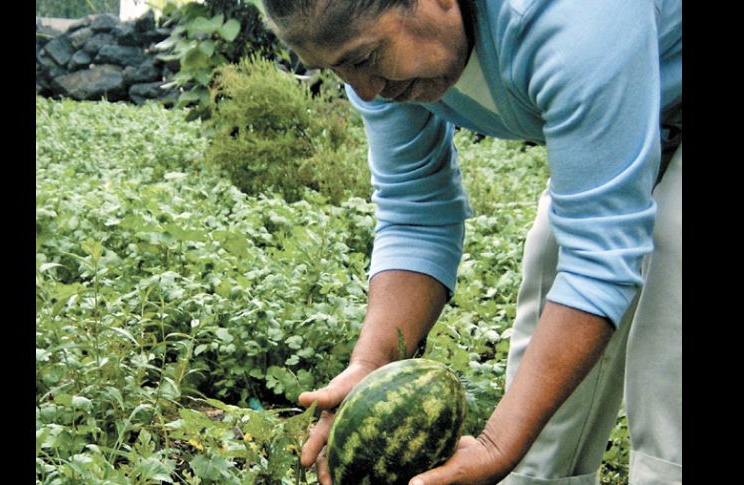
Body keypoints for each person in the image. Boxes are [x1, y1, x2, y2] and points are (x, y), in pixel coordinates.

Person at [260, 1, 682, 484]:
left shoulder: (571, 18)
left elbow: (600, 258)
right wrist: (370, 367)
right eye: (336, 70)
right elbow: (416, 213)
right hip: (633, 89)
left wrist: (498, 445)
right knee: (554, 257)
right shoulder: (378, 65)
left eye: (363, 58)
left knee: (675, 277)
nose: (365, 91)